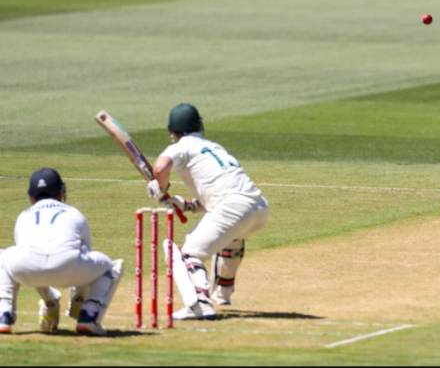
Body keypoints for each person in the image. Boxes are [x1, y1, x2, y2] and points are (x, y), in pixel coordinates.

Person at [147, 103, 270, 320]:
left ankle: (201, 303)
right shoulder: (214, 147)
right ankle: (222, 293)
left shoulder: (179, 147)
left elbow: (159, 168)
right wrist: (185, 204)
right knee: (232, 235)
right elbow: (217, 195)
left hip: (232, 208)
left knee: (188, 254)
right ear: (199, 125)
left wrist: (162, 189)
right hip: (258, 208)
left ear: (171, 131)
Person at [0, 168, 123, 336]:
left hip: (26, 271)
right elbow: (86, 252)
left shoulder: (24, 216)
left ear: (32, 197)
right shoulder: (73, 212)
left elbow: (32, 255)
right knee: (111, 266)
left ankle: (4, 314)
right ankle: (89, 314)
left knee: (6, 257)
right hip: (70, 269)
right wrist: (78, 297)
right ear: (61, 192)